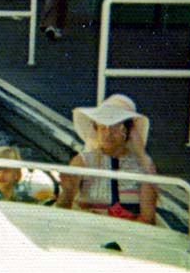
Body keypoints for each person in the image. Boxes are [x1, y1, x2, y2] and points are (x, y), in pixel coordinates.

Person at [56, 94, 158, 224]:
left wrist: (141, 153)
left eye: (116, 126)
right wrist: (67, 191)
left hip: (128, 235)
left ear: (128, 130)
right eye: (102, 127)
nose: (108, 133)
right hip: (87, 231)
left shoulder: (142, 165)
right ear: (96, 129)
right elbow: (63, 210)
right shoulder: (83, 161)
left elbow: (148, 219)